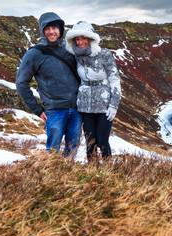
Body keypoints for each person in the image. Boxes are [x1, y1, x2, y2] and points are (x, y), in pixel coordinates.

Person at [16, 12, 82, 157]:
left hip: (76, 109)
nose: (51, 31)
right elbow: (21, 83)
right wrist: (37, 109)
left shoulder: (68, 50)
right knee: (53, 151)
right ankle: (51, 175)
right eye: (47, 28)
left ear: (60, 29)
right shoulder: (34, 53)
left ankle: (68, 176)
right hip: (55, 110)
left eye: (54, 28)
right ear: (42, 30)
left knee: (73, 147)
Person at [65, 21, 121, 162]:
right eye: (77, 39)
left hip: (104, 104)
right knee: (90, 142)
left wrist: (114, 105)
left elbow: (115, 80)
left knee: (102, 140)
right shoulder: (75, 57)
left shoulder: (105, 54)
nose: (81, 42)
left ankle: (108, 170)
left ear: (91, 39)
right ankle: (92, 171)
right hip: (85, 106)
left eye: (84, 38)